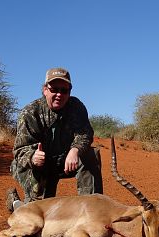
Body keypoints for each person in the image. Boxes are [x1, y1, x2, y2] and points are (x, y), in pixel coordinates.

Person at [7, 67, 103, 212]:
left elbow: (85, 133)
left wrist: (75, 150)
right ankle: (16, 203)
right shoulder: (30, 112)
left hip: (65, 162)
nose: (59, 94)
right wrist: (33, 157)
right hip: (39, 166)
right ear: (45, 89)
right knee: (38, 213)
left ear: (69, 92)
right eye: (54, 89)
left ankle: (92, 208)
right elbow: (20, 150)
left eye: (64, 91)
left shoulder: (76, 107)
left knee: (90, 154)